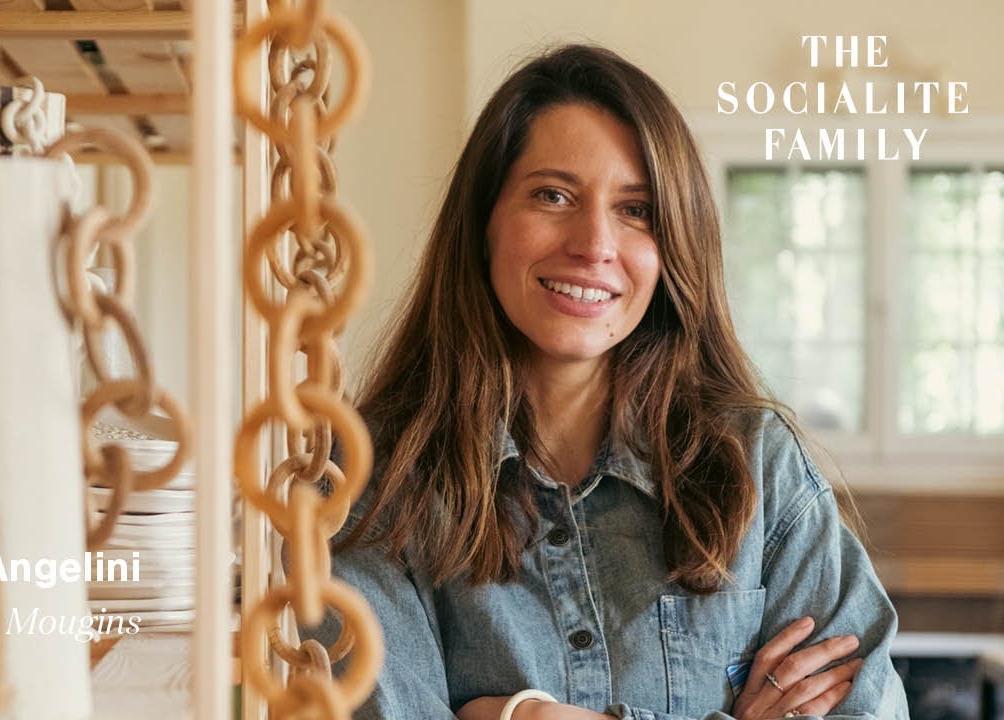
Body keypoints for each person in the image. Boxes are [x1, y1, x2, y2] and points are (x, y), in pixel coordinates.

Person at [308, 44, 910, 720]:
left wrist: (524, 715)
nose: (594, 243)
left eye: (636, 210)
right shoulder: (370, 476)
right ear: (483, 223)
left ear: (673, 246)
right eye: (553, 194)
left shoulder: (757, 461)